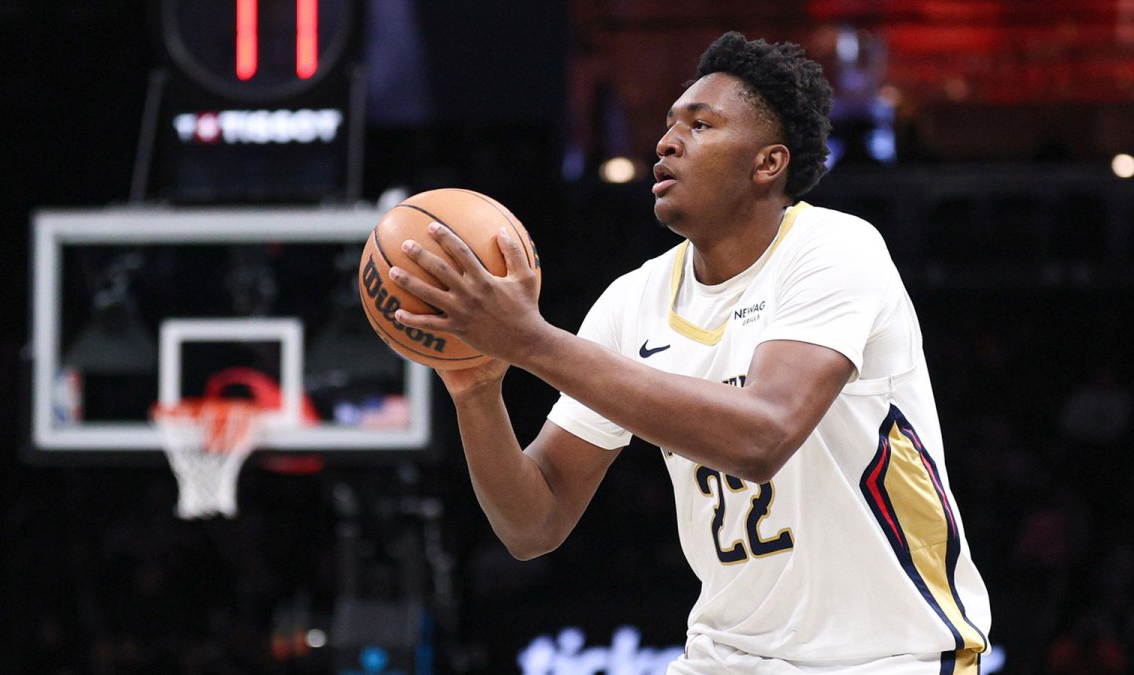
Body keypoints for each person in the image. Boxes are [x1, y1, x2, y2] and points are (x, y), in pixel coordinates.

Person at [386, 32, 991, 674]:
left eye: (700, 125)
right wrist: (476, 391)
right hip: (727, 656)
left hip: (886, 657)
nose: (666, 142)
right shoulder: (632, 301)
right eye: (670, 124)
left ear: (768, 164)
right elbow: (533, 525)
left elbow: (763, 435)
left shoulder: (835, 249)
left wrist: (529, 340)